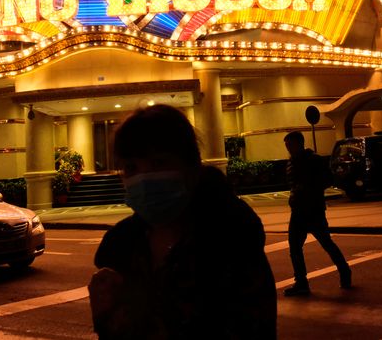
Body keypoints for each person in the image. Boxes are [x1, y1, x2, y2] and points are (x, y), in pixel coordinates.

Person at [89, 105, 277, 339]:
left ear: (192, 166)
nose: (144, 178)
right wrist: (106, 313)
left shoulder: (231, 239)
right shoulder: (120, 247)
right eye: (131, 168)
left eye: (158, 163)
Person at [283, 131, 351, 296]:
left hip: (313, 210)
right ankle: (301, 282)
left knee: (326, 243)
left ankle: (344, 271)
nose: (288, 148)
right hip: (298, 210)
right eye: (287, 146)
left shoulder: (313, 160)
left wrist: (308, 188)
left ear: (299, 143)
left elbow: (327, 179)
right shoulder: (292, 162)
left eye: (290, 145)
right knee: (295, 247)